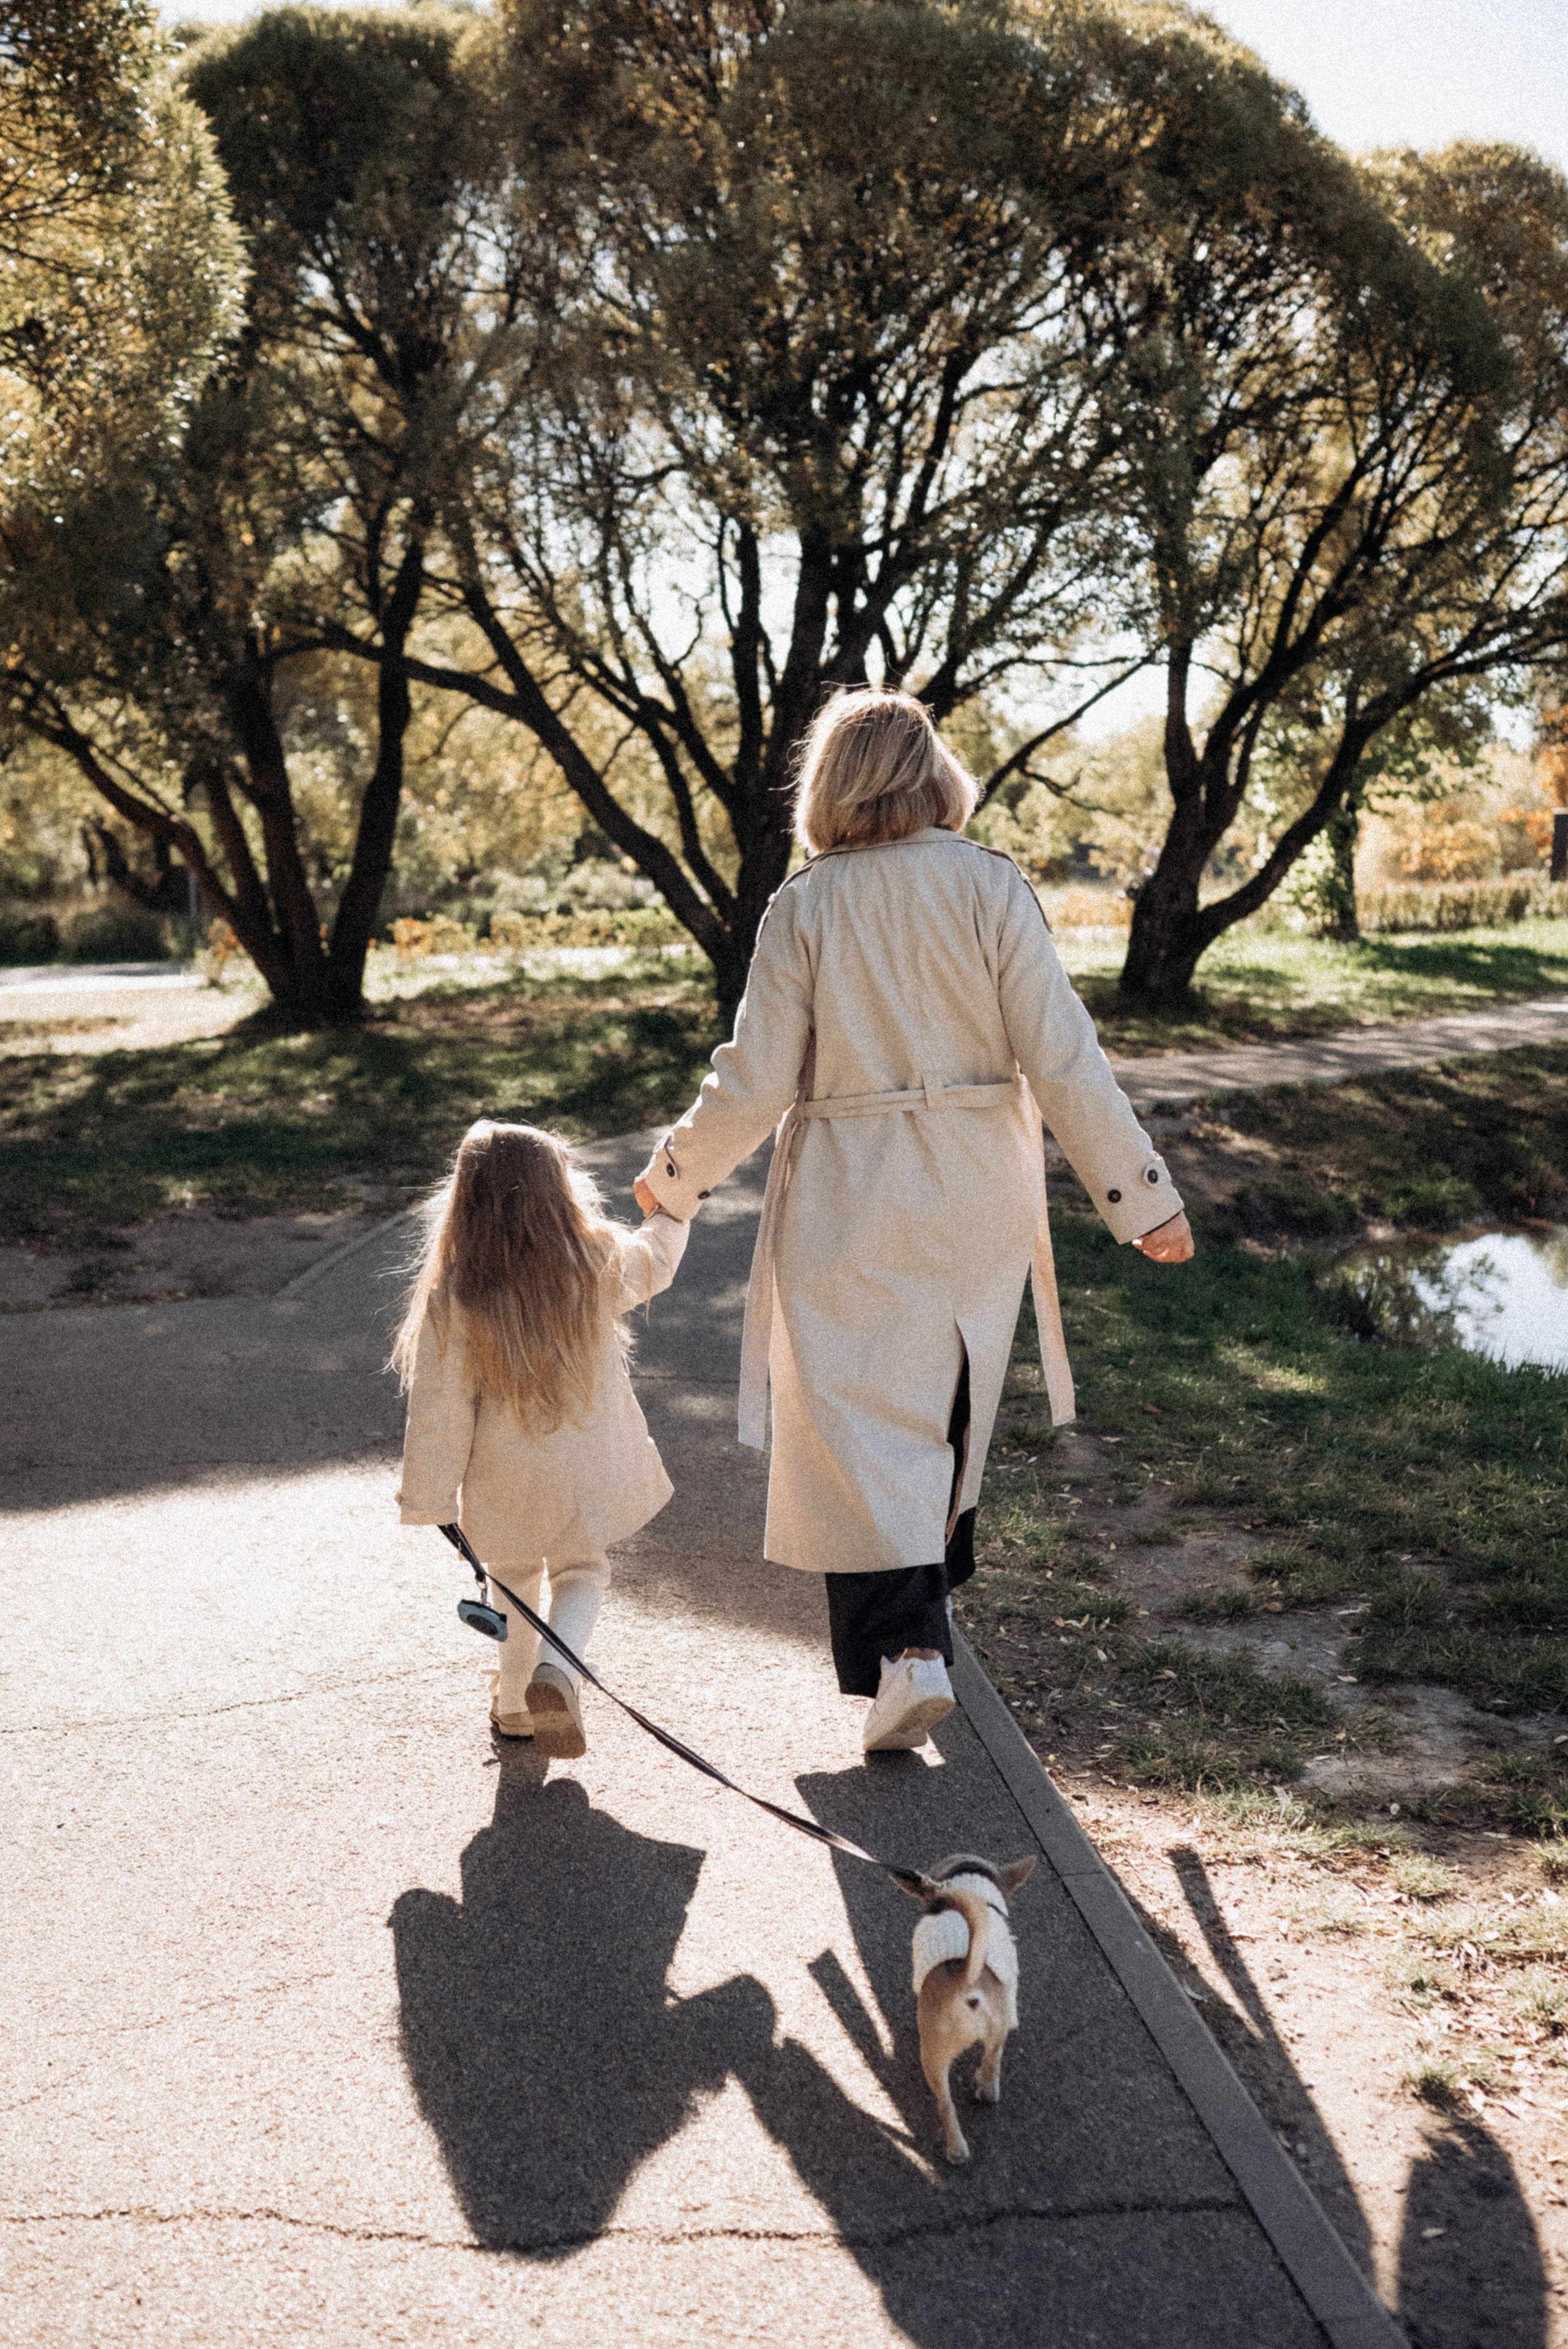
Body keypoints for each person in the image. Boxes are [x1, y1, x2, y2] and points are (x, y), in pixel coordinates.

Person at [634, 688, 1193, 1757]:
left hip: (849, 1188)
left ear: (830, 786)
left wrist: (675, 1177)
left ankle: (908, 1652)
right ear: (934, 772)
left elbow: (754, 1079)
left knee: (859, 1421)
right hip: (978, 1185)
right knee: (945, 1405)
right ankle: (917, 1642)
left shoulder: (806, 903)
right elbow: (1064, 1055)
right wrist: (1143, 1198)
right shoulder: (991, 883)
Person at [394, 1120, 687, 1758]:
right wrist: (674, 1207)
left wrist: (431, 1498)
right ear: (559, 1190)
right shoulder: (593, 1261)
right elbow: (657, 1261)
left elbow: (440, 1409)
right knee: (583, 1569)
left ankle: (514, 1705)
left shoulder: (456, 1293)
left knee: (513, 1575)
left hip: (503, 1477)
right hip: (585, 1469)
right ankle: (559, 1668)